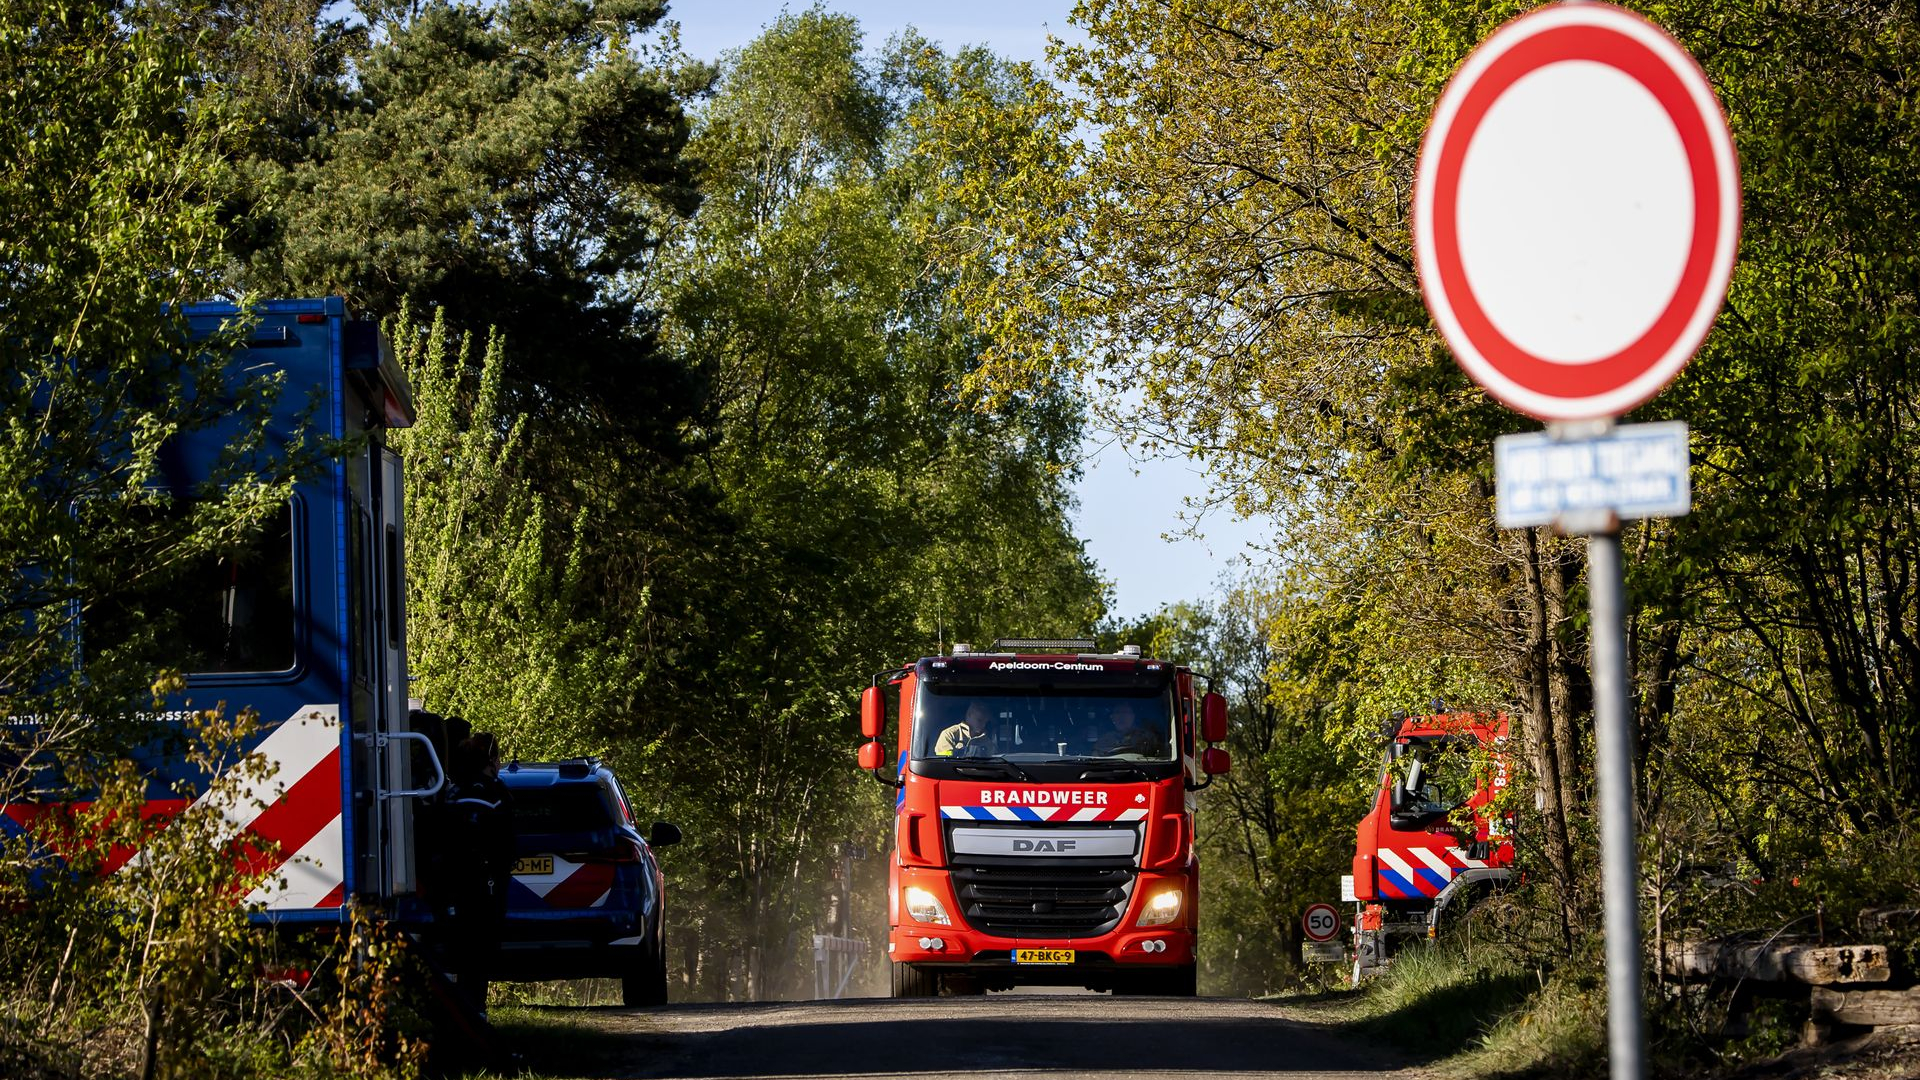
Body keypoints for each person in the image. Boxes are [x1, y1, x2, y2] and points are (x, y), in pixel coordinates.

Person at [441, 732, 514, 1016]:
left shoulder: (452, 793)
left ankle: (458, 1008)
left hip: (453, 881)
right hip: (485, 883)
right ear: (492, 761)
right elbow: (506, 844)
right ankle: (476, 1009)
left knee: (458, 948)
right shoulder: (496, 795)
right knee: (481, 949)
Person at [1093, 700, 1168, 758]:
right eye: (1118, 712)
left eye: (1126, 712)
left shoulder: (1147, 738)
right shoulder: (1104, 740)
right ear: (1112, 717)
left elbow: (1160, 757)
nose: (1122, 716)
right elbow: (1096, 760)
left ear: (1133, 716)